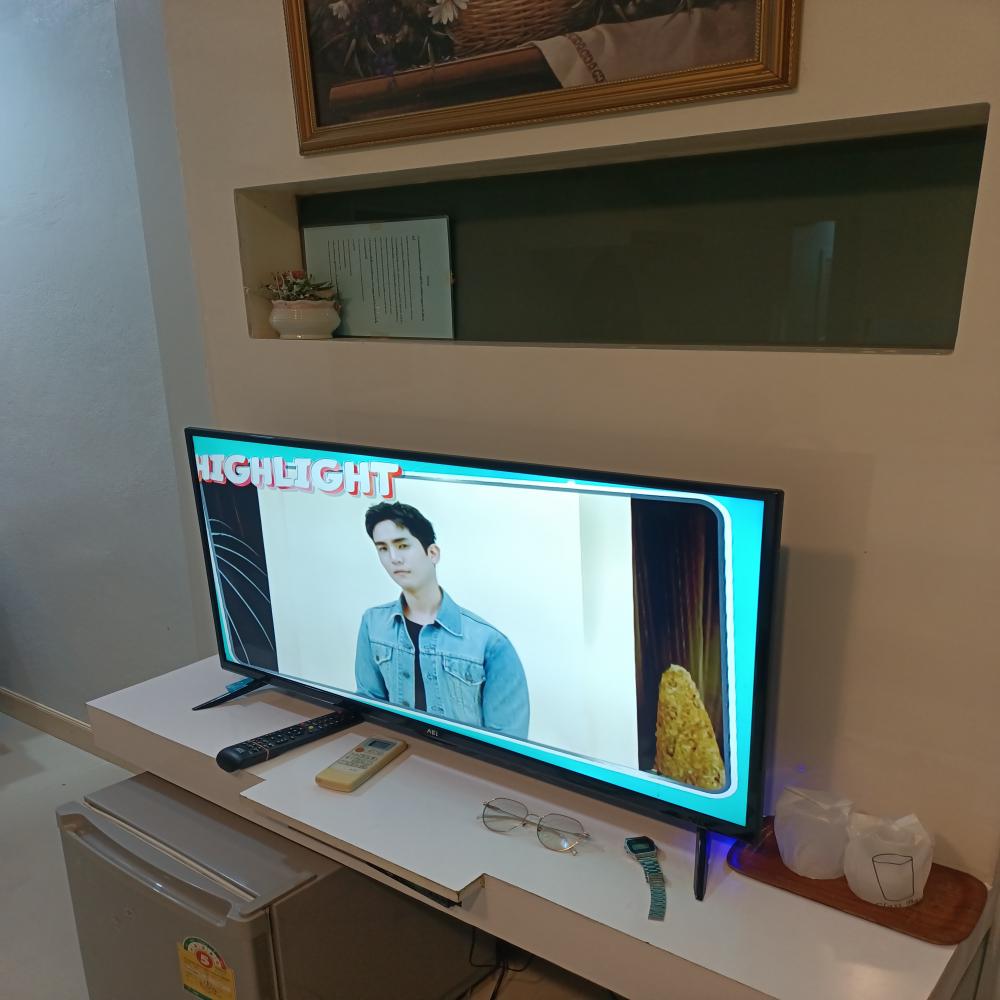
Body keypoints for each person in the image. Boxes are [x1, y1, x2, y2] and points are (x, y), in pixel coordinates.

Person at [354, 501, 530, 739]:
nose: (393, 558)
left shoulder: (490, 643)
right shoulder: (373, 623)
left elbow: (507, 740)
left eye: (402, 545)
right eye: (383, 548)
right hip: (398, 752)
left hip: (464, 760)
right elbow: (370, 712)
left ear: (432, 553)